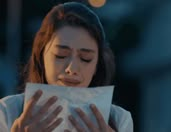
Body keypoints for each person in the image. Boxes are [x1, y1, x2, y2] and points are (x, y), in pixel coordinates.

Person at [0, 2, 133, 132]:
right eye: (61, 55)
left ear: (97, 65)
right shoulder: (7, 111)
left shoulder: (119, 120)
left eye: (85, 58)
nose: (72, 68)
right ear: (41, 57)